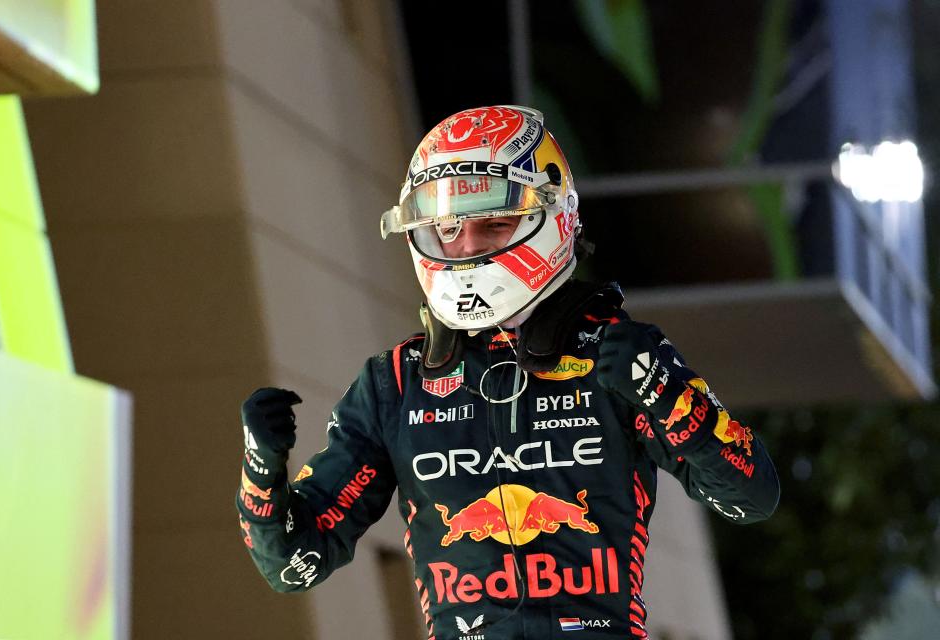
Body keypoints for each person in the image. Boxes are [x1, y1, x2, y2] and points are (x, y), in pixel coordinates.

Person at [236, 105, 780, 639]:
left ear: (554, 218)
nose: (467, 248)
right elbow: (292, 566)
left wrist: (669, 397)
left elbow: (750, 497)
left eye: (493, 225)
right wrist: (263, 469)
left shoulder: (620, 355)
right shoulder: (395, 384)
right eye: (448, 229)